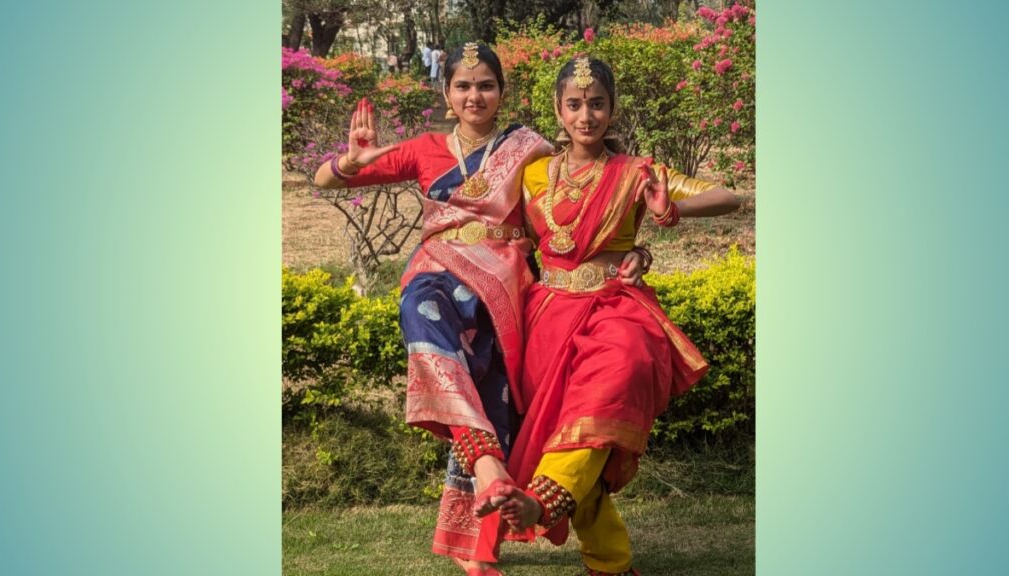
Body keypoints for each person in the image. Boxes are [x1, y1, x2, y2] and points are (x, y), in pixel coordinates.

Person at [314, 43, 645, 576]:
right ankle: (486, 466)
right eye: (463, 86)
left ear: (502, 93)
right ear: (446, 94)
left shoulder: (529, 150)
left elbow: (584, 204)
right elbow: (325, 180)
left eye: (486, 85)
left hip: (506, 286)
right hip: (439, 274)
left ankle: (479, 544)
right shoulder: (424, 148)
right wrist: (349, 161)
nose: (475, 96)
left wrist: (632, 251)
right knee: (421, 313)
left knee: (494, 400)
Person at [486, 56, 741, 576]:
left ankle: (542, 502)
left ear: (613, 108)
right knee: (582, 437)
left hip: (614, 310)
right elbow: (493, 227)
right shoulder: (531, 173)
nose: (587, 116)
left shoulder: (637, 173)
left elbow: (727, 197)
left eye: (597, 104)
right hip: (547, 318)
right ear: (558, 109)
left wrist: (669, 211)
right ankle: (611, 564)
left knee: (614, 379)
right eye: (575, 104)